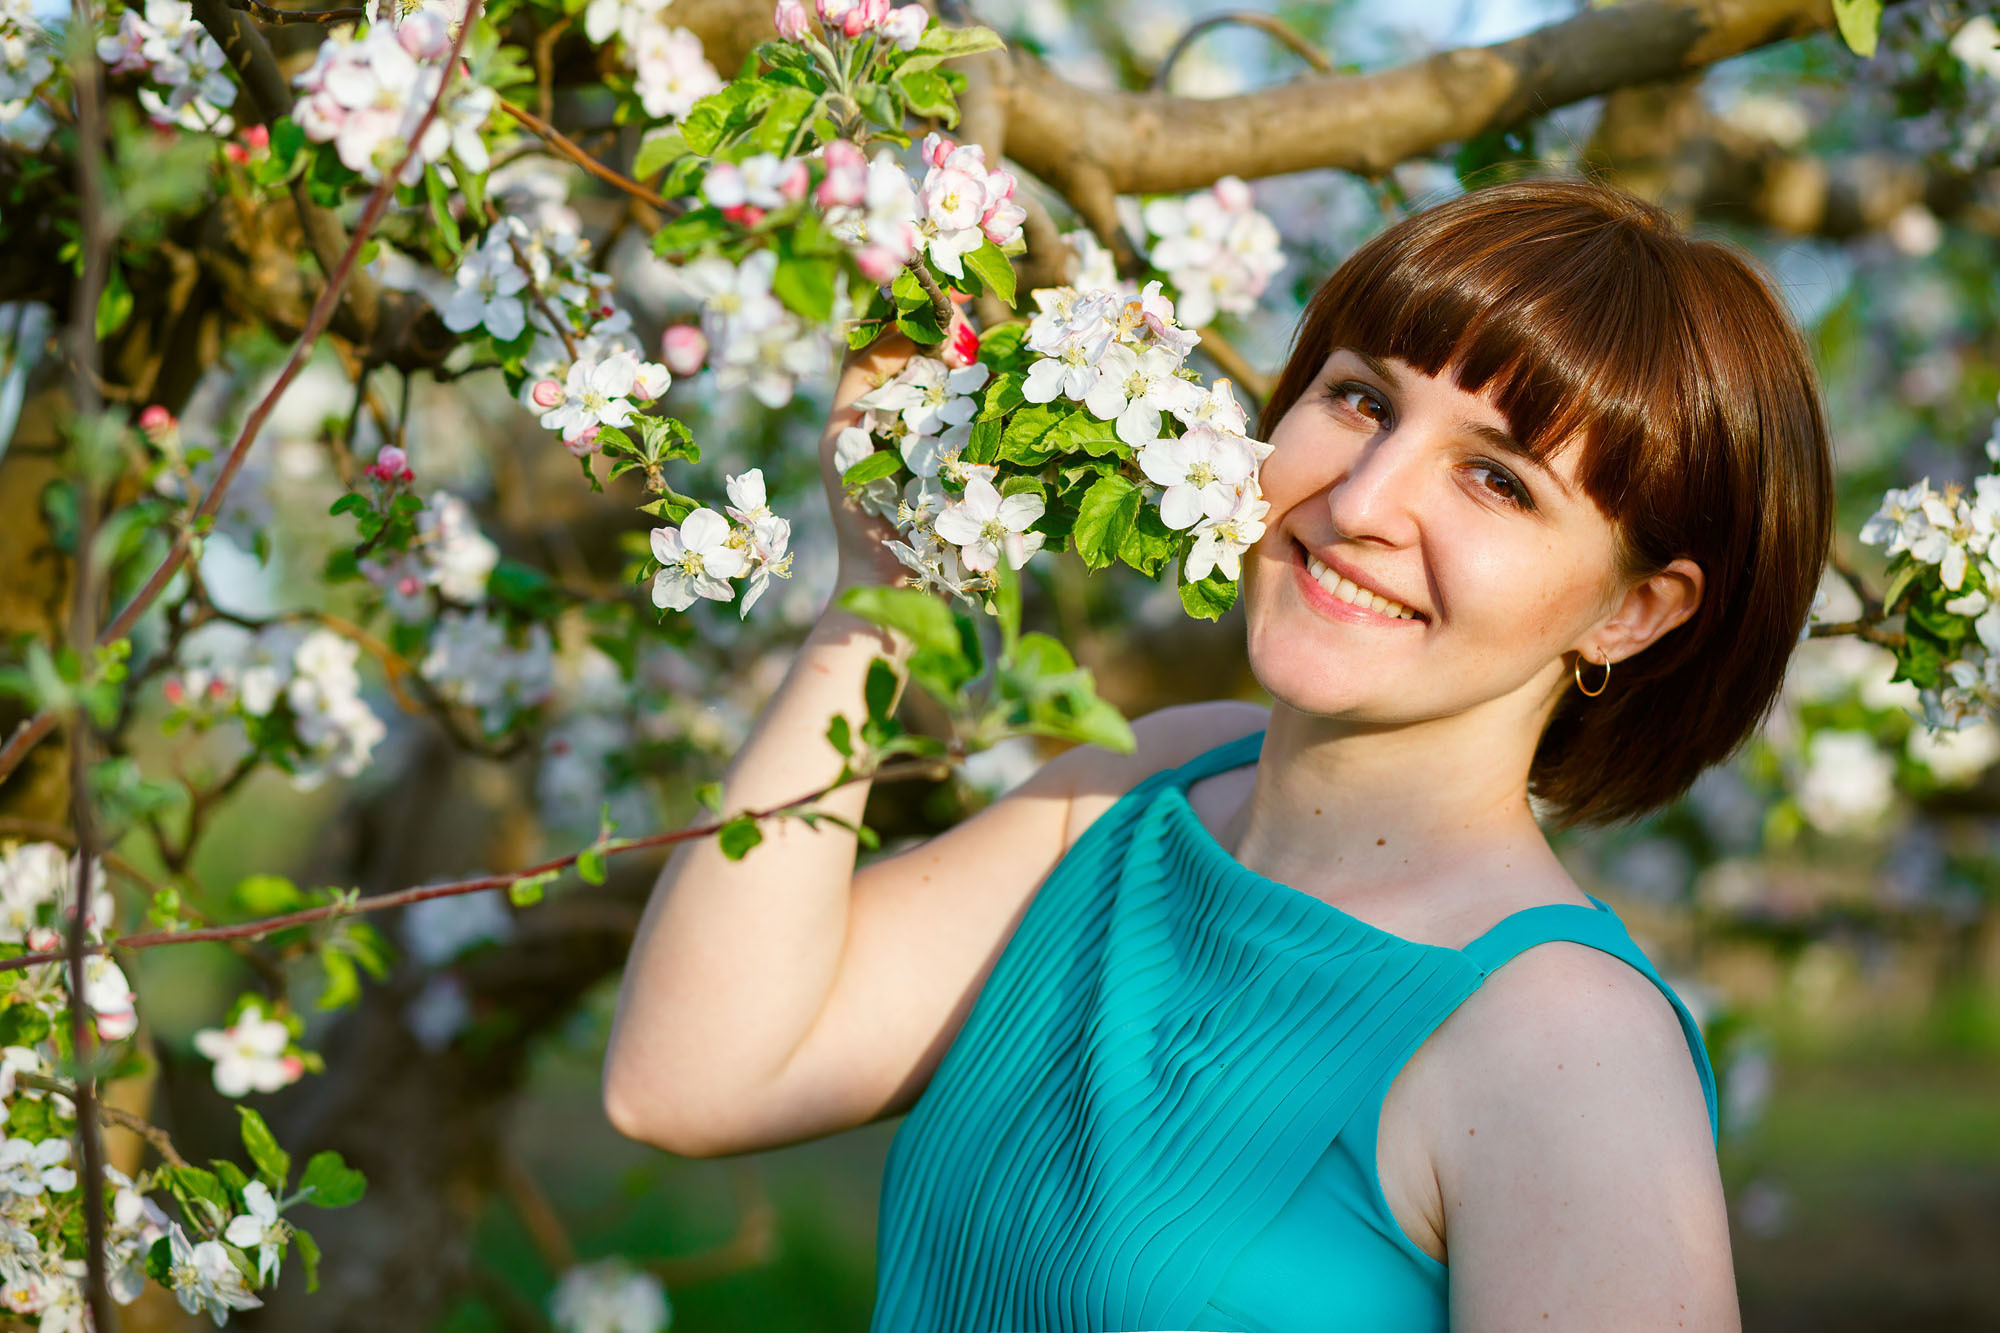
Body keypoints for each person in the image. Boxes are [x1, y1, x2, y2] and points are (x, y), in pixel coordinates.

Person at [602, 176, 1832, 1331]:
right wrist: (880, 592)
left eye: (1495, 480)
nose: (1360, 501)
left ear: (1632, 612)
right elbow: (687, 1077)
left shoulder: (1565, 1049)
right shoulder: (1148, 790)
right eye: (1361, 400)